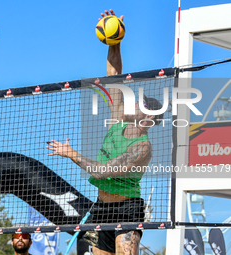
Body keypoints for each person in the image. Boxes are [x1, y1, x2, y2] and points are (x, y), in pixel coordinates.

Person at [46, 9, 164, 255]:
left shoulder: (143, 147)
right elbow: (115, 76)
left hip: (127, 209)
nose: (133, 104)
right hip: (101, 208)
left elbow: (102, 172)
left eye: (140, 104)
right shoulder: (118, 119)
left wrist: (72, 154)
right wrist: (115, 41)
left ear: (149, 117)